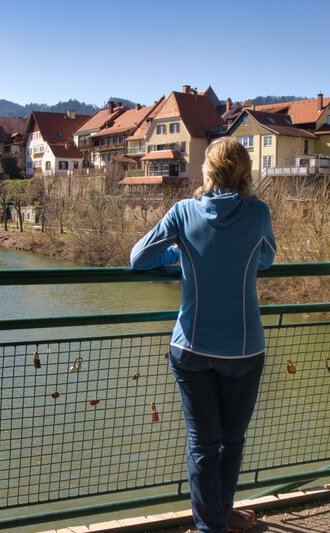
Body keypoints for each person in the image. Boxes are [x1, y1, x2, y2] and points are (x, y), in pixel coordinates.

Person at [130, 137, 276, 533]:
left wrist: (181, 253)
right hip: (244, 350)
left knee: (202, 444)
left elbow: (138, 258)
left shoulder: (183, 213)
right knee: (232, 441)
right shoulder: (259, 213)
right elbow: (266, 258)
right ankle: (223, 514)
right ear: (245, 173)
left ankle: (210, 526)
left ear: (207, 172)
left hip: (191, 348)